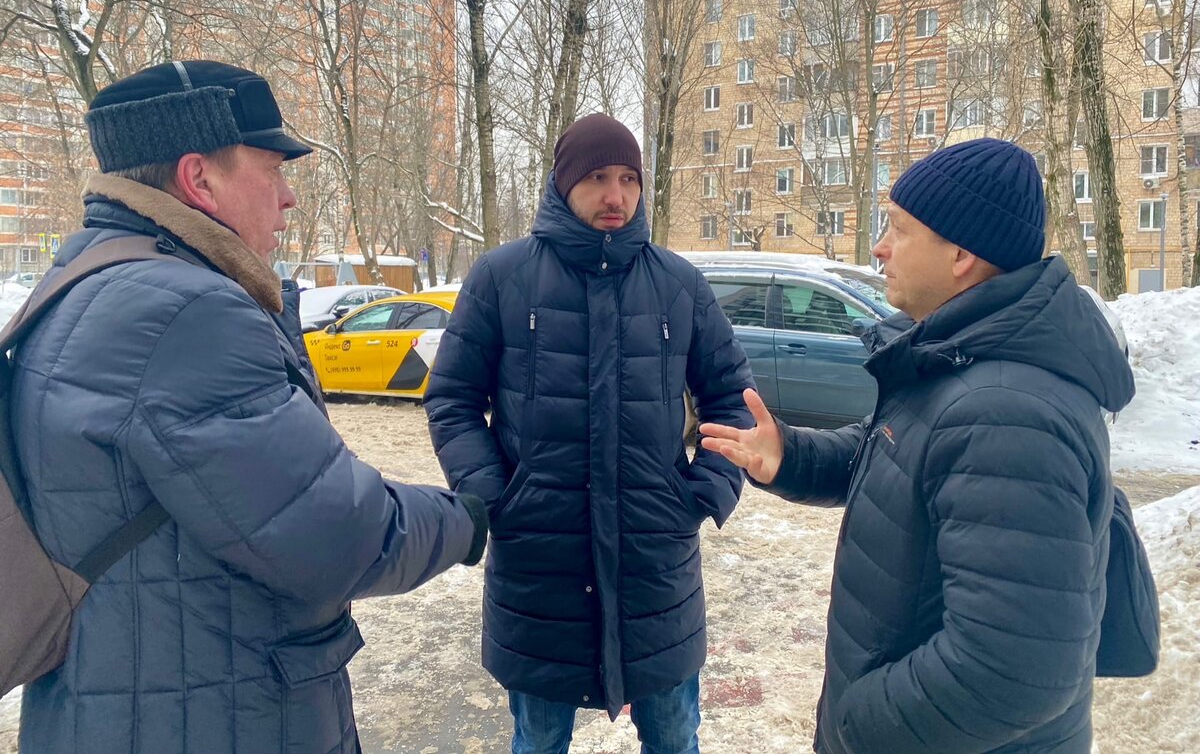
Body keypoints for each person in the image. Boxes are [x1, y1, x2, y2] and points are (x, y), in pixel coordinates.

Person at [11, 60, 489, 753]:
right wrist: (464, 520)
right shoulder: (184, 312)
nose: (289, 198)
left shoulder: (84, 285)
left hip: (123, 698)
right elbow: (333, 532)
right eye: (272, 170)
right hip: (218, 713)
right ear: (198, 179)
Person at [699, 138, 1135, 754]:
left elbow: (1011, 673)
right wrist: (790, 455)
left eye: (899, 230)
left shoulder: (1009, 414)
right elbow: (900, 455)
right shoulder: (959, 356)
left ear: (961, 254)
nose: (880, 248)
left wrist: (855, 725)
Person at [424, 113, 754, 753]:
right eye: (598, 177)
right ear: (563, 182)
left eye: (628, 178)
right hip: (541, 563)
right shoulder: (501, 277)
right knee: (539, 741)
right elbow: (453, 400)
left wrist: (701, 494)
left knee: (674, 739)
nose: (615, 196)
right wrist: (496, 496)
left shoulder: (679, 284)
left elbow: (733, 400)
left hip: (655, 564)